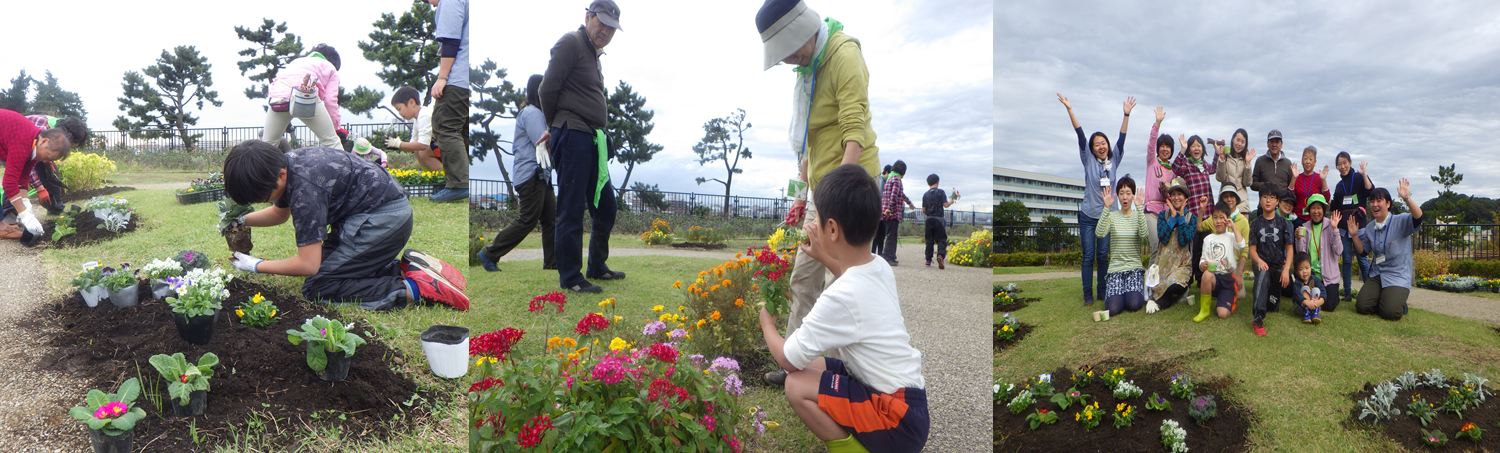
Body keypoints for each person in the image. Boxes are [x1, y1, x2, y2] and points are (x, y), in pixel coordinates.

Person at [756, 164, 928, 453]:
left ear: (832, 228)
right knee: (814, 365)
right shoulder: (879, 265)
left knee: (795, 384)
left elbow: (788, 360)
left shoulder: (840, 297)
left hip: (893, 420)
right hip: (910, 408)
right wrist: (823, 254)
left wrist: (767, 326)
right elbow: (849, 274)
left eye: (818, 217)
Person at [758, 0, 884, 385]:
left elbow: (853, 127)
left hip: (852, 186)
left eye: (787, 50)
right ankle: (794, 363)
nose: (787, 60)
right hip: (823, 193)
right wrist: (801, 196)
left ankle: (836, 376)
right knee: (803, 275)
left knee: (841, 285)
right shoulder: (807, 73)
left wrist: (840, 194)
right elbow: (808, 147)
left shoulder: (844, 53)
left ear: (801, 32)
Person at [222, 140, 469, 311]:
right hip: (376, 215)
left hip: (381, 222)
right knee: (334, 269)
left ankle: (414, 288)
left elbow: (308, 264)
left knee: (319, 286)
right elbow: (279, 214)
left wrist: (258, 266)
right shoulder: (288, 163)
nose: (265, 201)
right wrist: (242, 219)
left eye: (264, 196)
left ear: (281, 176)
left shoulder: (305, 190)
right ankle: (409, 267)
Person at [541, 0, 626, 294]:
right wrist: (554, 127)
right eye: (601, 22)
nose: (605, 30)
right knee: (571, 207)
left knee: (606, 206)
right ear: (588, 17)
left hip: (593, 138)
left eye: (611, 27)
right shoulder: (571, 42)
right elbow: (546, 88)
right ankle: (570, 276)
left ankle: (596, 265)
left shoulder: (593, 55)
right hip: (573, 133)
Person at [1057, 93, 1132, 306]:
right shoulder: (1087, 159)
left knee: (1103, 256)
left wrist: (1126, 114)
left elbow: (1122, 138)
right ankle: (1087, 294)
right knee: (1088, 256)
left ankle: (1102, 291)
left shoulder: (1114, 159)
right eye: (1097, 144)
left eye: (1103, 143)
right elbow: (1080, 134)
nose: (1101, 146)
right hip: (1089, 217)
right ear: (1092, 149)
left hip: (1107, 217)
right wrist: (1070, 109)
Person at [476, 75, 556, 273]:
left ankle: (552, 263)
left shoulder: (536, 113)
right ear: (540, 91)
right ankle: (489, 253)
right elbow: (543, 142)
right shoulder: (532, 113)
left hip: (541, 175)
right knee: (528, 219)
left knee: (551, 219)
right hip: (531, 175)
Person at [1, 109, 83, 241]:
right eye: (49, 156)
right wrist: (24, 214)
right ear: (44, 142)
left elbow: (22, 179)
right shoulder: (23, 143)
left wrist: (26, 204)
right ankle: (1, 225)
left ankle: (1, 224)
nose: (45, 161)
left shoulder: (33, 147)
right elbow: (9, 183)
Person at [1347, 180, 1423, 321]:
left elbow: (1418, 218)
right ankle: (1387, 297)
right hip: (1378, 273)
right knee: (1362, 307)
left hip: (1397, 274)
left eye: (1379, 201)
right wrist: (1354, 235)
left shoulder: (1400, 221)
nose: (1375, 204)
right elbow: (1363, 252)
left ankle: (1396, 301)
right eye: (1372, 201)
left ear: (1388, 204)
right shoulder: (1370, 227)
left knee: (1390, 313)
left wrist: (1406, 198)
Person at [426, 0, 471, 203]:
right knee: (463, 130)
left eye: (429, 2)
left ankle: (459, 184)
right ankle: (466, 180)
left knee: (445, 125)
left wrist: (442, 77)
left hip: (459, 77)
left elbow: (450, 40)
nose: (433, 6)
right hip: (472, 78)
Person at [262, 44, 345, 150]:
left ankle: (259, 167)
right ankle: (344, 166)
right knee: (331, 141)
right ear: (334, 63)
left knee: (267, 146)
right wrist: (336, 128)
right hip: (305, 97)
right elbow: (330, 101)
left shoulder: (297, 61)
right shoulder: (331, 68)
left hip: (278, 99)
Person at [1096, 175, 1149, 317]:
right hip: (1115, 269)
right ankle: (1120, 292)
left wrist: (1140, 207)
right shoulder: (1112, 216)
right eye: (1121, 193)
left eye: (1128, 193)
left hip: (1134, 268)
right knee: (1113, 309)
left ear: (1133, 195)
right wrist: (1106, 208)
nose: (1125, 197)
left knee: (1134, 305)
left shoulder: (1138, 215)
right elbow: (1100, 233)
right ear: (1117, 196)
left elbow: (1144, 235)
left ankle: (1129, 291)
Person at [1248, 186, 1294, 336]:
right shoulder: (1255, 223)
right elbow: (1252, 250)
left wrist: (1287, 269)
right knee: (1262, 274)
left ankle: (1308, 306)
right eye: (1265, 197)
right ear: (1260, 200)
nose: (1268, 200)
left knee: (1274, 305)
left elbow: (1289, 249)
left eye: (1272, 197)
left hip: (1279, 266)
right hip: (1263, 265)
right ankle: (1258, 317)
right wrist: (1259, 261)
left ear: (1277, 202)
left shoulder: (1283, 222)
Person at [1174, 133, 1217, 286]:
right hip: (1193, 211)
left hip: (1208, 212)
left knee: (1206, 246)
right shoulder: (1185, 164)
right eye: (1193, 145)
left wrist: (1217, 152)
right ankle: (1190, 276)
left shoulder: (1204, 164)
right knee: (1194, 247)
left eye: (1199, 145)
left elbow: (1214, 168)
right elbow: (1175, 168)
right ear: (1189, 150)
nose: (1196, 148)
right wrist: (1182, 149)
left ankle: (1201, 278)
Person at [1330, 152, 1373, 302]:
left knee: (1363, 259)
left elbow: (1370, 191)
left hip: (1359, 225)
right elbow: (1334, 205)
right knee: (1347, 260)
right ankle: (1347, 293)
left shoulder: (1359, 177)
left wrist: (1365, 174)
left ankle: (1369, 291)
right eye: (1339, 164)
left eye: (1344, 163)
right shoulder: (1339, 186)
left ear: (1350, 162)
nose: (1342, 167)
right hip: (1343, 227)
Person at [1196, 183, 1250, 300]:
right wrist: (1202, 210)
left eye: (1232, 196)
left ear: (1236, 199)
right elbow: (1199, 227)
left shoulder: (1242, 221)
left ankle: (1221, 292)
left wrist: (1239, 274)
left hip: (1232, 266)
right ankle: (1217, 290)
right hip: (1215, 264)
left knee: (1240, 295)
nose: (1229, 199)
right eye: (1225, 196)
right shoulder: (1214, 218)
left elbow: (1244, 249)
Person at [1146, 184, 1194, 314]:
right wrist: (1172, 218)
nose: (1176, 197)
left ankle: (1166, 297)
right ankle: (1158, 301)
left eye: (1180, 194)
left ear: (1186, 199)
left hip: (1182, 265)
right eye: (1173, 194)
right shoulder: (1163, 215)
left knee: (1174, 285)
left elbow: (1185, 240)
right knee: (1161, 290)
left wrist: (1181, 217)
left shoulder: (1191, 218)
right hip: (1163, 264)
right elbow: (1163, 238)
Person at [1196, 202, 1246, 322]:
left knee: (1222, 314)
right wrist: (1202, 264)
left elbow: (1241, 245)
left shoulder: (1231, 236)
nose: (1218, 221)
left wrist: (1233, 227)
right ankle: (1204, 310)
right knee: (1207, 274)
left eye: (1221, 217)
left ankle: (1225, 300)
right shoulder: (1208, 239)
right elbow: (1203, 258)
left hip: (1228, 279)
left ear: (1227, 219)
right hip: (1214, 278)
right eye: (1215, 217)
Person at [1295, 194, 1344, 311]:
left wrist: (1335, 229)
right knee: (1301, 299)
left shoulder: (1331, 225)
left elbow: (1339, 250)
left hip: (1328, 277)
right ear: (1309, 210)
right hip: (1310, 275)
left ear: (1323, 210)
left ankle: (1331, 297)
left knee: (1328, 306)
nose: (1316, 211)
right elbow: (1301, 254)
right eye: (1313, 208)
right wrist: (1298, 239)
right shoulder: (1305, 227)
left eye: (1319, 208)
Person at [385, 87, 442, 171]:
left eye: (399, 109)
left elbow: (423, 145)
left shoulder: (424, 115)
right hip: (440, 146)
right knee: (417, 149)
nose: (399, 113)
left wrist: (398, 144)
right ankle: (428, 174)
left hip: (448, 148)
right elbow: (413, 143)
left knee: (424, 153)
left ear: (412, 102)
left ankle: (443, 178)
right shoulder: (417, 118)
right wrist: (397, 143)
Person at [1142, 106, 1175, 252]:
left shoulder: (1174, 169)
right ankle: (1152, 275)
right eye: (1162, 146)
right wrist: (1157, 124)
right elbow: (1151, 143)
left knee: (1166, 249)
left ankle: (1163, 276)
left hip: (1167, 211)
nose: (1165, 149)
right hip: (1151, 210)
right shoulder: (1152, 161)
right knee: (1156, 247)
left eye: (1168, 147)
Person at [878, 160, 915, 265]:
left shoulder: (890, 179)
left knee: (891, 235)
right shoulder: (897, 179)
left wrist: (909, 203)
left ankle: (892, 256)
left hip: (885, 212)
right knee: (891, 236)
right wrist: (890, 208)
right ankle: (887, 257)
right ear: (902, 171)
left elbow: (900, 194)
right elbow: (894, 195)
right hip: (892, 213)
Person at [1215, 128, 1255, 215]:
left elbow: (1247, 183)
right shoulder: (1225, 156)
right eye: (1238, 140)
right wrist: (1222, 160)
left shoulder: (1246, 159)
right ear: (1233, 139)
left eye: (1243, 142)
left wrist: (1247, 164)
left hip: (1242, 205)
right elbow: (1220, 178)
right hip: (1226, 204)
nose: (1239, 144)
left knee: (1241, 229)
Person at [921, 173, 954, 268]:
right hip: (939, 219)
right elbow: (945, 205)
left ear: (928, 183)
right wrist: (951, 202)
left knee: (929, 240)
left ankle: (928, 259)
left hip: (929, 219)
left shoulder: (925, 195)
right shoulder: (941, 192)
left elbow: (924, 210)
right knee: (941, 239)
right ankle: (940, 255)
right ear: (937, 182)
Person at [1291, 146, 1331, 224]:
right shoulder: (1297, 177)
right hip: (1298, 219)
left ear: (1315, 162)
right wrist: (1293, 178)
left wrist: (1323, 180)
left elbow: (1326, 198)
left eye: (1310, 159)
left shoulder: (1319, 178)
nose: (1308, 161)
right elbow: (1289, 196)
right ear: (1302, 161)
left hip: (1315, 219)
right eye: (1305, 158)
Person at [1251, 129, 1295, 195]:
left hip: (1282, 203)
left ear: (1281, 144)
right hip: (1264, 204)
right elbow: (1252, 184)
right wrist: (1266, 185)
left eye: (1277, 142)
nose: (1274, 144)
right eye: (1271, 142)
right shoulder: (1260, 161)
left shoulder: (1287, 163)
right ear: (1267, 144)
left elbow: (1291, 186)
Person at [1289, 251, 1327, 324]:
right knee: (1305, 288)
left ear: (1310, 267)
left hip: (1315, 306)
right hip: (1301, 308)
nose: (1305, 271)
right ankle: (1307, 313)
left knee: (1316, 289)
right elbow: (1297, 296)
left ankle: (1315, 313)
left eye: (1307, 268)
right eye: (1301, 269)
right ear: (1296, 272)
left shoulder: (1315, 279)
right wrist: (1307, 303)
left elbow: (1323, 292)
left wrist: (1318, 303)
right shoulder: (1297, 282)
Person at [872, 164, 892, 256]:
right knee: (878, 236)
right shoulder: (882, 181)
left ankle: (877, 253)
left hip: (880, 212)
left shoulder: (883, 181)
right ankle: (876, 254)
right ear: (887, 172)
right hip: (880, 212)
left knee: (879, 235)